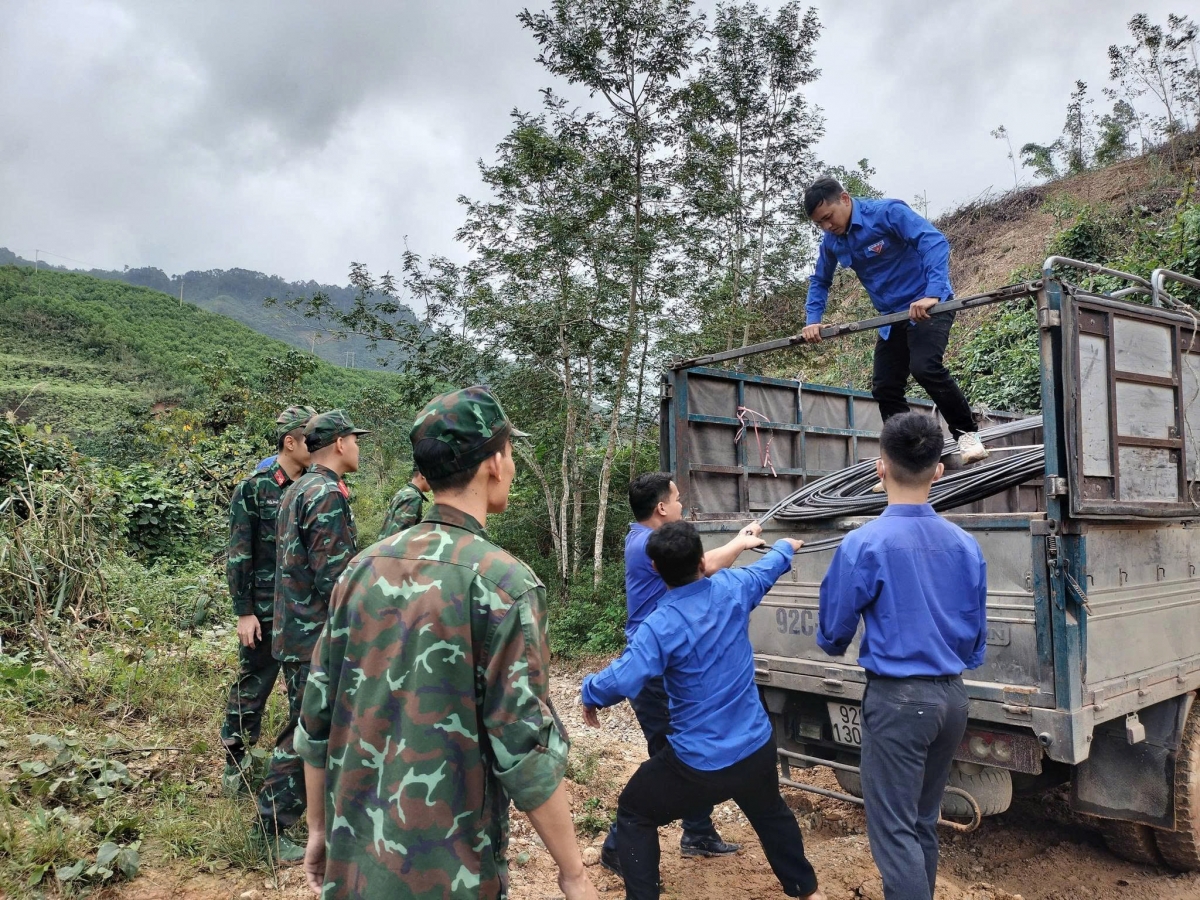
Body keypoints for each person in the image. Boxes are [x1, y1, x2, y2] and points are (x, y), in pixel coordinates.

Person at [295, 386, 599, 900]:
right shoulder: (503, 584)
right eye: (510, 453)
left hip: (357, 862)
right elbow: (523, 747)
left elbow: (317, 716)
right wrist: (573, 873)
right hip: (449, 872)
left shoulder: (361, 568)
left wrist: (319, 829)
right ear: (494, 464)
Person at [581, 521, 824, 900]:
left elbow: (623, 679)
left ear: (657, 569)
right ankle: (807, 891)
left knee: (634, 811)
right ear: (702, 561)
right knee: (771, 813)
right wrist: (786, 547)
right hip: (755, 746)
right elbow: (769, 567)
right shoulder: (734, 588)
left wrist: (590, 692)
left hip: (699, 765)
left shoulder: (659, 625)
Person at [816, 411, 987, 900]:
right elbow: (975, 634)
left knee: (893, 832)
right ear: (938, 470)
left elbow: (833, 632)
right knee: (920, 823)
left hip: (897, 702)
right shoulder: (965, 544)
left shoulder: (864, 543)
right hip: (952, 699)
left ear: (879, 467)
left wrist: (835, 641)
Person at [597, 472, 765, 874]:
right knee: (671, 761)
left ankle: (697, 831)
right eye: (676, 500)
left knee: (683, 751)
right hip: (652, 668)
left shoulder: (644, 539)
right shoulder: (644, 546)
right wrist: (742, 542)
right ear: (660, 508)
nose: (681, 505)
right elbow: (704, 567)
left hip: (664, 661)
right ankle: (619, 846)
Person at [800, 176, 988, 465]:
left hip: (929, 305)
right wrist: (813, 320)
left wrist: (933, 292)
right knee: (885, 387)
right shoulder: (832, 241)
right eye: (819, 224)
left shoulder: (887, 213)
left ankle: (967, 434)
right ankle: (905, 457)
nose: (827, 226)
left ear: (845, 199)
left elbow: (933, 240)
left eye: (828, 217)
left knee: (925, 367)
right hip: (892, 318)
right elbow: (820, 281)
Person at [255, 409, 366, 863]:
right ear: (339, 443)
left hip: (298, 632)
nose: (359, 447)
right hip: (315, 636)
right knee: (308, 729)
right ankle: (270, 826)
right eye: (355, 440)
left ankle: (327, 815)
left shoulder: (298, 487)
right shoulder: (323, 492)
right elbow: (333, 577)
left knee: (312, 726)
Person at [220, 405, 316, 797]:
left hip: (300, 612)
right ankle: (236, 768)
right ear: (289, 441)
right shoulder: (255, 487)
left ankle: (293, 775)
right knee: (253, 687)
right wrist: (243, 612)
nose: (318, 444)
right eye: (311, 437)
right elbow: (239, 554)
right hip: (263, 609)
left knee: (305, 696)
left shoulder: (313, 486)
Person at [377, 465, 430, 539]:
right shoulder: (413, 498)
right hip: (392, 548)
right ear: (423, 474)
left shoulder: (404, 492)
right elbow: (401, 535)